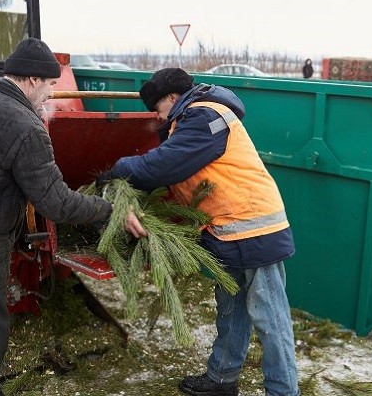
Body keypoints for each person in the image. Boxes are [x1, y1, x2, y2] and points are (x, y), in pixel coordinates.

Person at [0, 38, 146, 396]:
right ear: (33, 80)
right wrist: (111, 211)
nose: (52, 94)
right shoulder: (25, 126)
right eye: (51, 85)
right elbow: (58, 204)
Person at [97, 68, 299, 396]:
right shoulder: (192, 118)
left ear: (173, 98)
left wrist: (119, 170)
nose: (156, 115)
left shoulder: (205, 117)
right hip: (227, 231)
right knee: (231, 310)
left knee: (270, 318)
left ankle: (284, 391)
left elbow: (165, 164)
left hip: (256, 229)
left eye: (157, 106)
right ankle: (221, 379)